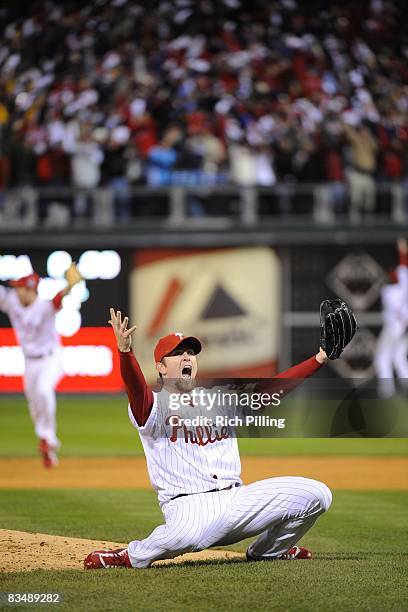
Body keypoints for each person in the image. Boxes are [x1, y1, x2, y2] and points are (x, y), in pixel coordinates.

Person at [84, 309, 333, 570]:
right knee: (183, 535)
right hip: (189, 506)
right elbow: (136, 390)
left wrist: (319, 358)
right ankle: (130, 555)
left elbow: (271, 390)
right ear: (160, 366)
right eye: (178, 353)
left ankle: (267, 551)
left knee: (317, 494)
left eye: (190, 353)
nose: (186, 357)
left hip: (237, 501)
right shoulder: (154, 406)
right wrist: (125, 353)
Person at [0, 264, 83, 467]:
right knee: (34, 404)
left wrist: (70, 287)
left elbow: (58, 298)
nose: (16, 290)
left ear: (30, 289)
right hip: (29, 361)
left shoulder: (45, 306)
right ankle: (48, 447)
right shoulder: (11, 300)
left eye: (20, 287)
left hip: (51, 358)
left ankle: (49, 439)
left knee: (44, 391)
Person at [375, 239, 408, 398]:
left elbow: (401, 270)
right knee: (398, 356)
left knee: (382, 357)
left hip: (394, 327)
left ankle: (387, 391)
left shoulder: (389, 291)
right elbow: (403, 268)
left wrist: (402, 252)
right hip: (403, 326)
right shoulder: (404, 285)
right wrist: (402, 252)